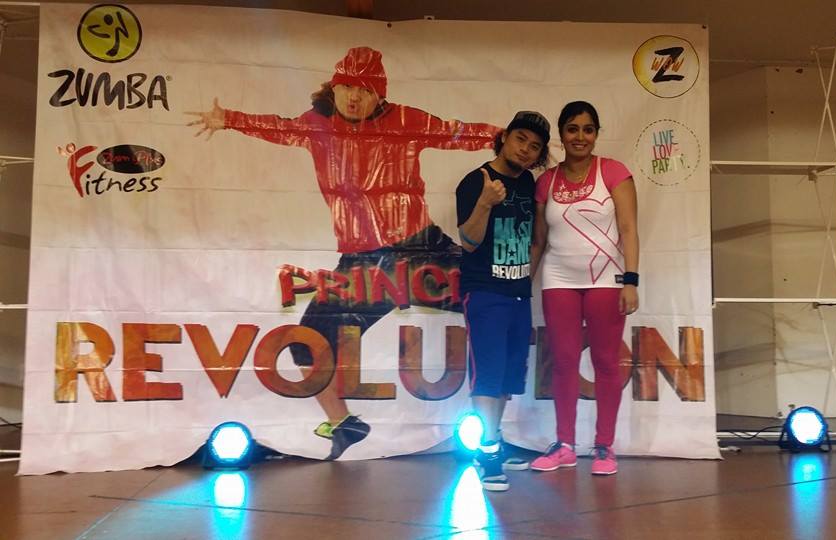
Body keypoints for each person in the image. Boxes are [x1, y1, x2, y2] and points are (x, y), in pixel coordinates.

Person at [187, 46, 500, 460]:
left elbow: (457, 133)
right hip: (362, 265)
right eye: (347, 87)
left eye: (365, 89)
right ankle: (344, 424)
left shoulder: (404, 120)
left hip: (420, 252)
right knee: (307, 343)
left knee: (493, 304)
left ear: (379, 95)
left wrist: (507, 140)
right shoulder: (317, 125)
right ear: (334, 88)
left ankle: (495, 422)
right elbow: (278, 127)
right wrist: (229, 118)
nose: (354, 96)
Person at [529, 101, 639, 476]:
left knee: (606, 362)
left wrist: (631, 280)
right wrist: (523, 285)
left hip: (606, 280)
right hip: (558, 279)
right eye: (572, 129)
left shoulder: (614, 172)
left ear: (596, 134)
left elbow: (629, 229)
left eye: (588, 129)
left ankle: (604, 446)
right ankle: (564, 445)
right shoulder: (546, 181)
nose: (580, 136)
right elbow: (539, 241)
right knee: (563, 362)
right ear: (561, 134)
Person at [455, 111, 550, 491]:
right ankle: (488, 451)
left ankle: (492, 439)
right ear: (505, 137)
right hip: (484, 292)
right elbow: (468, 241)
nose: (525, 149)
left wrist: (527, 276)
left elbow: (537, 239)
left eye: (534, 146)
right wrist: (485, 203)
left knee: (509, 375)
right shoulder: (475, 180)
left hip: (517, 293)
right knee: (488, 375)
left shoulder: (528, 183)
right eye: (520, 139)